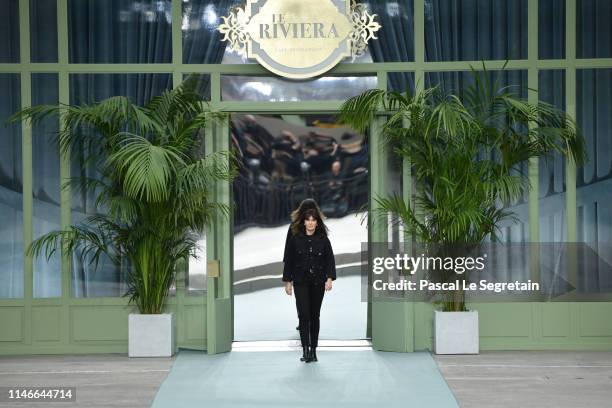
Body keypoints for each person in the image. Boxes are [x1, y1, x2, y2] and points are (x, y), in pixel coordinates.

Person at [282, 208, 336, 363]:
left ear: (317, 222)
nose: (311, 222)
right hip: (300, 282)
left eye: (313, 220)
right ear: (304, 222)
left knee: (314, 315)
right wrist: (288, 282)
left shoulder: (323, 240)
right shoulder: (295, 239)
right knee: (304, 315)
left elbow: (329, 260)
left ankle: (313, 349)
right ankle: (305, 349)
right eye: (308, 220)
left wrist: (330, 278)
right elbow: (289, 262)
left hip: (318, 282)